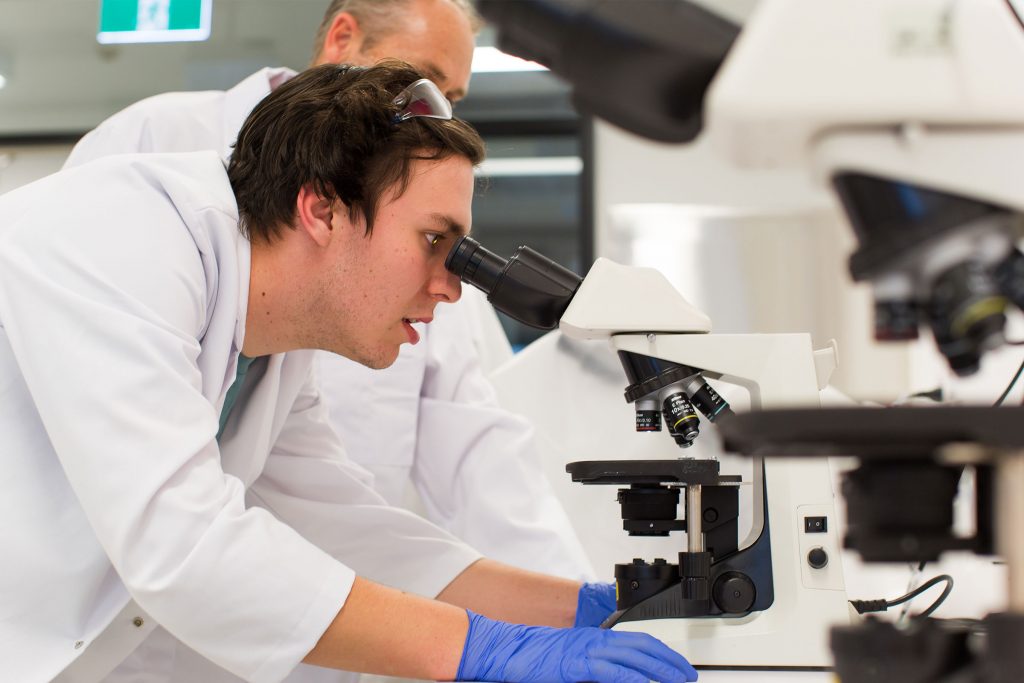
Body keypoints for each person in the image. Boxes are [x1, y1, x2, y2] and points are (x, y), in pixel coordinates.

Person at [0, 63, 698, 683]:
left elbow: (344, 526)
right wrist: (481, 648)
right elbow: (184, 544)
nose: (452, 288)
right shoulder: (122, 243)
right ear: (322, 208)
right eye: (435, 241)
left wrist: (580, 606)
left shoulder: (271, 343)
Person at [64, 0, 596, 587]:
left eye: (452, 101)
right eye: (421, 85)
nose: (433, 120)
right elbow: (169, 524)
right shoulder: (154, 148)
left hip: (312, 626)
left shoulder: (295, 364)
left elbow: (463, 468)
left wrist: (582, 609)